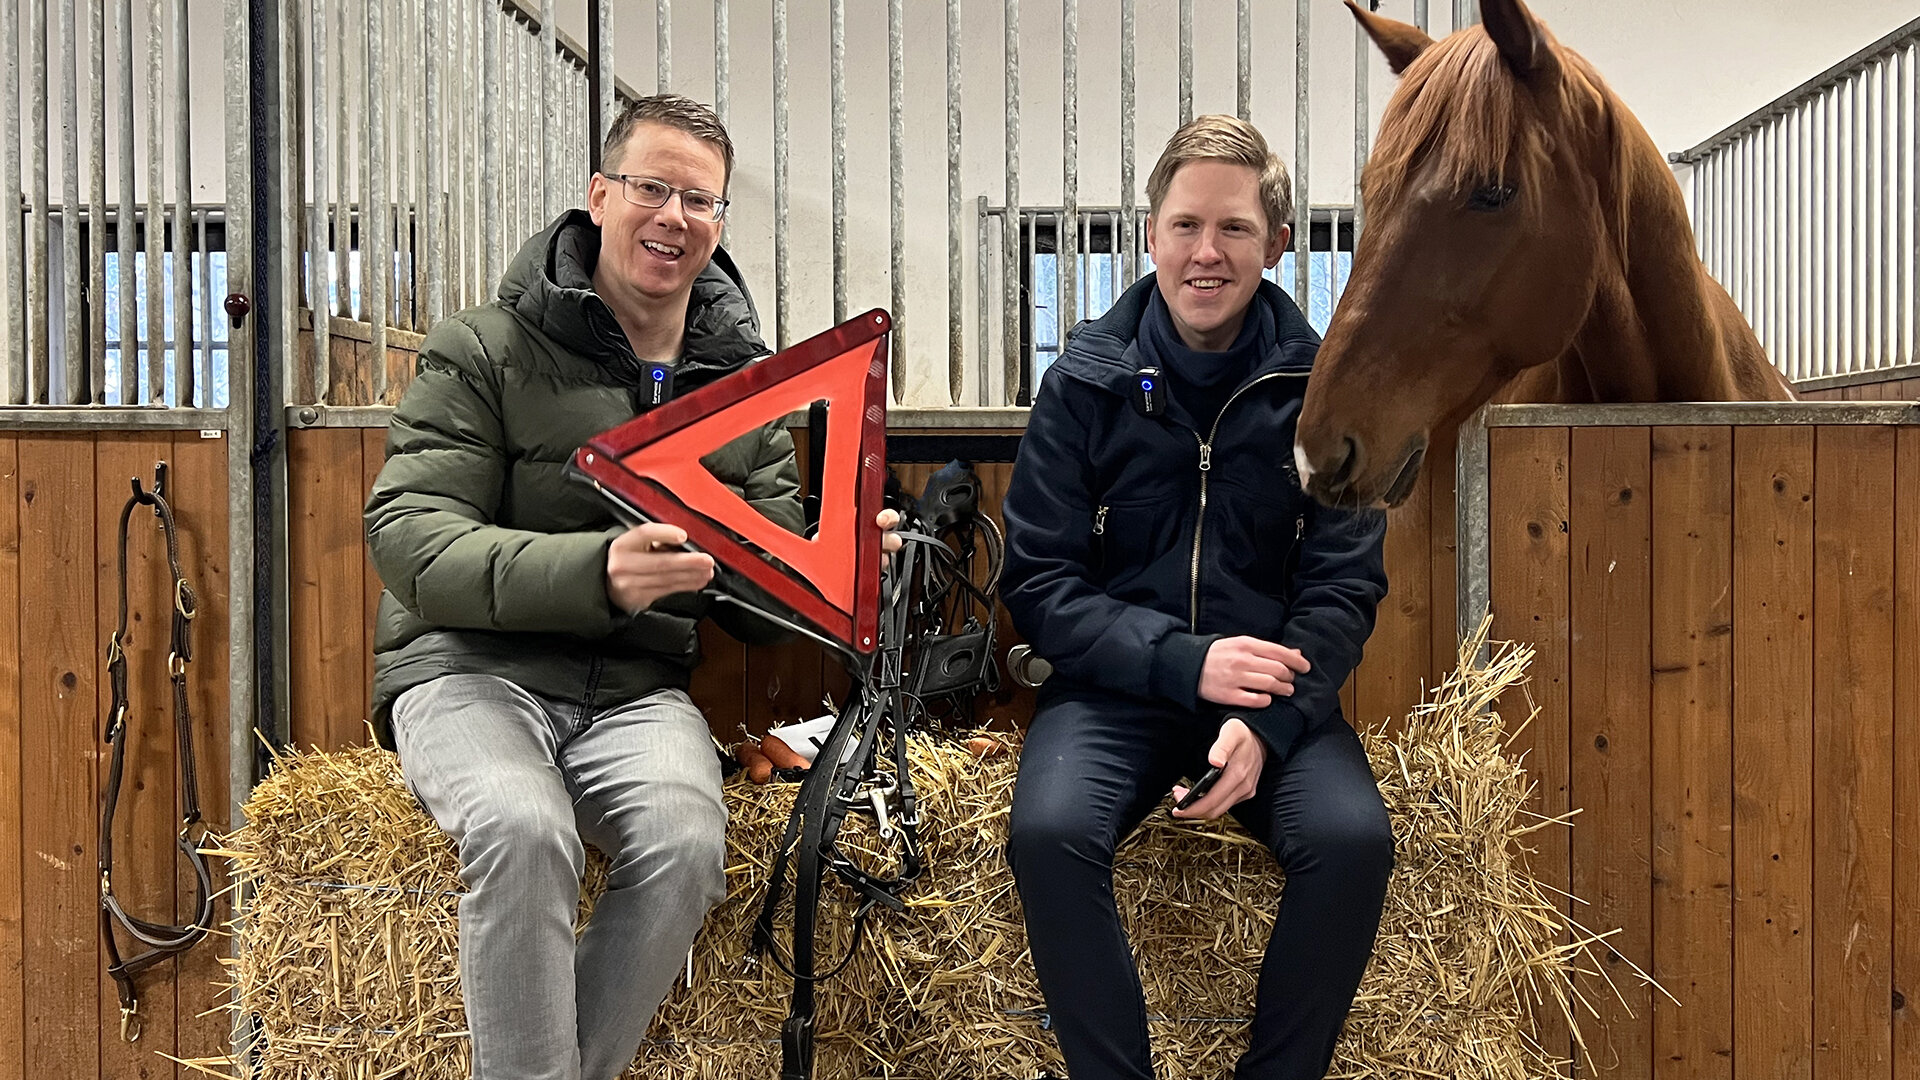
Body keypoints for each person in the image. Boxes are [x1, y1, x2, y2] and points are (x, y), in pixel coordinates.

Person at [364, 94, 896, 1080]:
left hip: (638, 693)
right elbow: (411, 540)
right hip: (471, 671)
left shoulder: (747, 393)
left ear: (720, 221)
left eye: (701, 200)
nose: (674, 217)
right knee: (521, 829)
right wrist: (597, 574)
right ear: (600, 196)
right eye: (652, 188)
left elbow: (763, 614)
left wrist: (837, 564)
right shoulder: (483, 347)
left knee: (687, 847)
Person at [1000, 114, 1394, 1080]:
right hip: (1113, 693)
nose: (1205, 253)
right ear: (1150, 235)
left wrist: (1272, 723)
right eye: (1185, 225)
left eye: (1234, 229)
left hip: (1269, 692)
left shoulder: (1327, 394)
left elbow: (1344, 585)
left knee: (1352, 842)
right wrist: (1183, 662)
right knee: (1048, 834)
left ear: (1279, 243)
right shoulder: (1082, 385)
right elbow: (1040, 582)